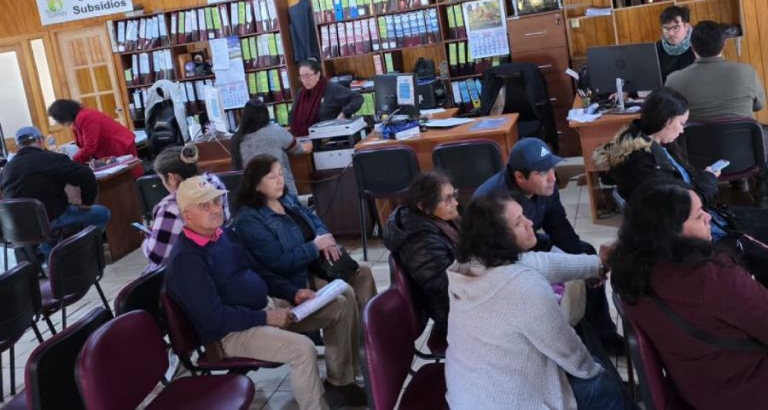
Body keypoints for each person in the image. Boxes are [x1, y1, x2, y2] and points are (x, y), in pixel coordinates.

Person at [165, 176, 366, 410]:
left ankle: (339, 385)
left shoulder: (225, 235)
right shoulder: (186, 260)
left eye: (216, 201)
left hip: (264, 310)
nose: (215, 208)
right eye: (204, 205)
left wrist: (292, 292)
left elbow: (260, 271)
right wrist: (265, 317)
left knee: (339, 305)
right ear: (187, 216)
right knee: (302, 349)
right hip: (229, 334)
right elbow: (213, 318)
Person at [445, 193, 632, 410]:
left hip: (470, 394)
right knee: (604, 385)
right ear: (499, 238)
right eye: (518, 222)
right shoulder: (522, 287)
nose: (530, 223)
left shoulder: (470, 266)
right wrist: (596, 372)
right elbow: (569, 351)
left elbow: (541, 263)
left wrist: (598, 264)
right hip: (508, 402)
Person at [610, 182, 768, 410]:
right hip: (744, 389)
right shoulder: (710, 277)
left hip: (699, 387)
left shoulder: (631, 270)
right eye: (698, 216)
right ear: (670, 231)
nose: (708, 218)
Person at [594, 87, 768, 283]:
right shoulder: (643, 165)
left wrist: (704, 178)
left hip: (705, 218)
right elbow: (681, 207)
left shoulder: (651, 144)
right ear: (667, 121)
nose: (683, 129)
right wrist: (708, 180)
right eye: (681, 123)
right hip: (698, 231)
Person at [474, 137, 624, 354]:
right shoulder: (494, 202)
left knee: (586, 254)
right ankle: (575, 341)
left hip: (531, 243)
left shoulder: (546, 187)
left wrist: (586, 264)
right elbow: (503, 262)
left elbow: (558, 225)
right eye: (543, 172)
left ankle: (603, 334)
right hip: (503, 264)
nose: (553, 177)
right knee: (569, 276)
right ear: (519, 177)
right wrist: (573, 267)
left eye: (552, 168)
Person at [233, 154, 376, 310]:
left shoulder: (287, 198)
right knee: (344, 293)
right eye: (272, 177)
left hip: (320, 264)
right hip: (298, 277)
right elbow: (278, 263)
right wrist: (315, 247)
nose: (280, 181)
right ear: (256, 184)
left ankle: (368, 323)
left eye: (281, 174)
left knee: (364, 273)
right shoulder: (249, 219)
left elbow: (315, 220)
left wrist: (324, 240)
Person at [0, 126, 110, 256]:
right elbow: (86, 175)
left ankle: (50, 251)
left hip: (18, 229)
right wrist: (87, 202)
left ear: (18, 146)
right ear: (41, 140)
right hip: (50, 222)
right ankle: (80, 252)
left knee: (48, 223)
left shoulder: (7, 169)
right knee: (102, 213)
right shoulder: (51, 159)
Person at [383, 171, 460, 336]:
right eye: (448, 199)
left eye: (454, 195)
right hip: (453, 313)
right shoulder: (420, 241)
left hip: (462, 297)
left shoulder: (440, 219)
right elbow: (444, 289)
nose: (455, 203)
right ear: (424, 206)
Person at [141, 144, 228, 272]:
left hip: (189, 268)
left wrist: (148, 238)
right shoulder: (214, 182)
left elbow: (157, 256)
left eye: (162, 179)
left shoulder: (171, 207)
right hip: (219, 254)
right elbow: (224, 220)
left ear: (171, 177)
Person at [665, 20, 765, 121]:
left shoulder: (673, 80)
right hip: (743, 131)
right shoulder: (747, 72)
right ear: (724, 44)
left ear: (692, 47)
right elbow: (759, 105)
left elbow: (670, 115)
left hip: (697, 132)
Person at [230, 98, 309, 194]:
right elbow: (298, 150)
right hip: (283, 192)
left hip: (254, 195)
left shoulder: (237, 139)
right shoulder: (275, 131)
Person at [47, 99, 143, 177]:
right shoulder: (77, 119)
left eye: (58, 120)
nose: (59, 123)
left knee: (130, 177)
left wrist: (73, 162)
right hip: (110, 148)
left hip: (119, 145)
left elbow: (90, 146)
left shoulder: (84, 117)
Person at [289, 59, 363, 137]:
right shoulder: (301, 93)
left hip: (330, 137)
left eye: (307, 76)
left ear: (318, 75)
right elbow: (292, 116)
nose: (305, 80)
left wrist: (344, 113)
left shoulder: (331, 88)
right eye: (302, 77)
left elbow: (357, 98)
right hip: (303, 138)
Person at [656, 5, 696, 82]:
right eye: (666, 28)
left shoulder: (698, 45)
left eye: (675, 27)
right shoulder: (656, 48)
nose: (671, 33)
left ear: (686, 26)